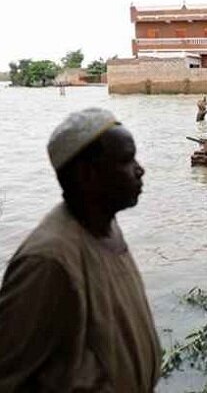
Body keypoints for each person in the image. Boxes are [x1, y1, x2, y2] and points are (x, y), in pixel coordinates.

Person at [0, 108, 161, 392]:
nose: (140, 169)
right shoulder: (47, 262)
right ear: (88, 174)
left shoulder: (107, 227)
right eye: (126, 160)